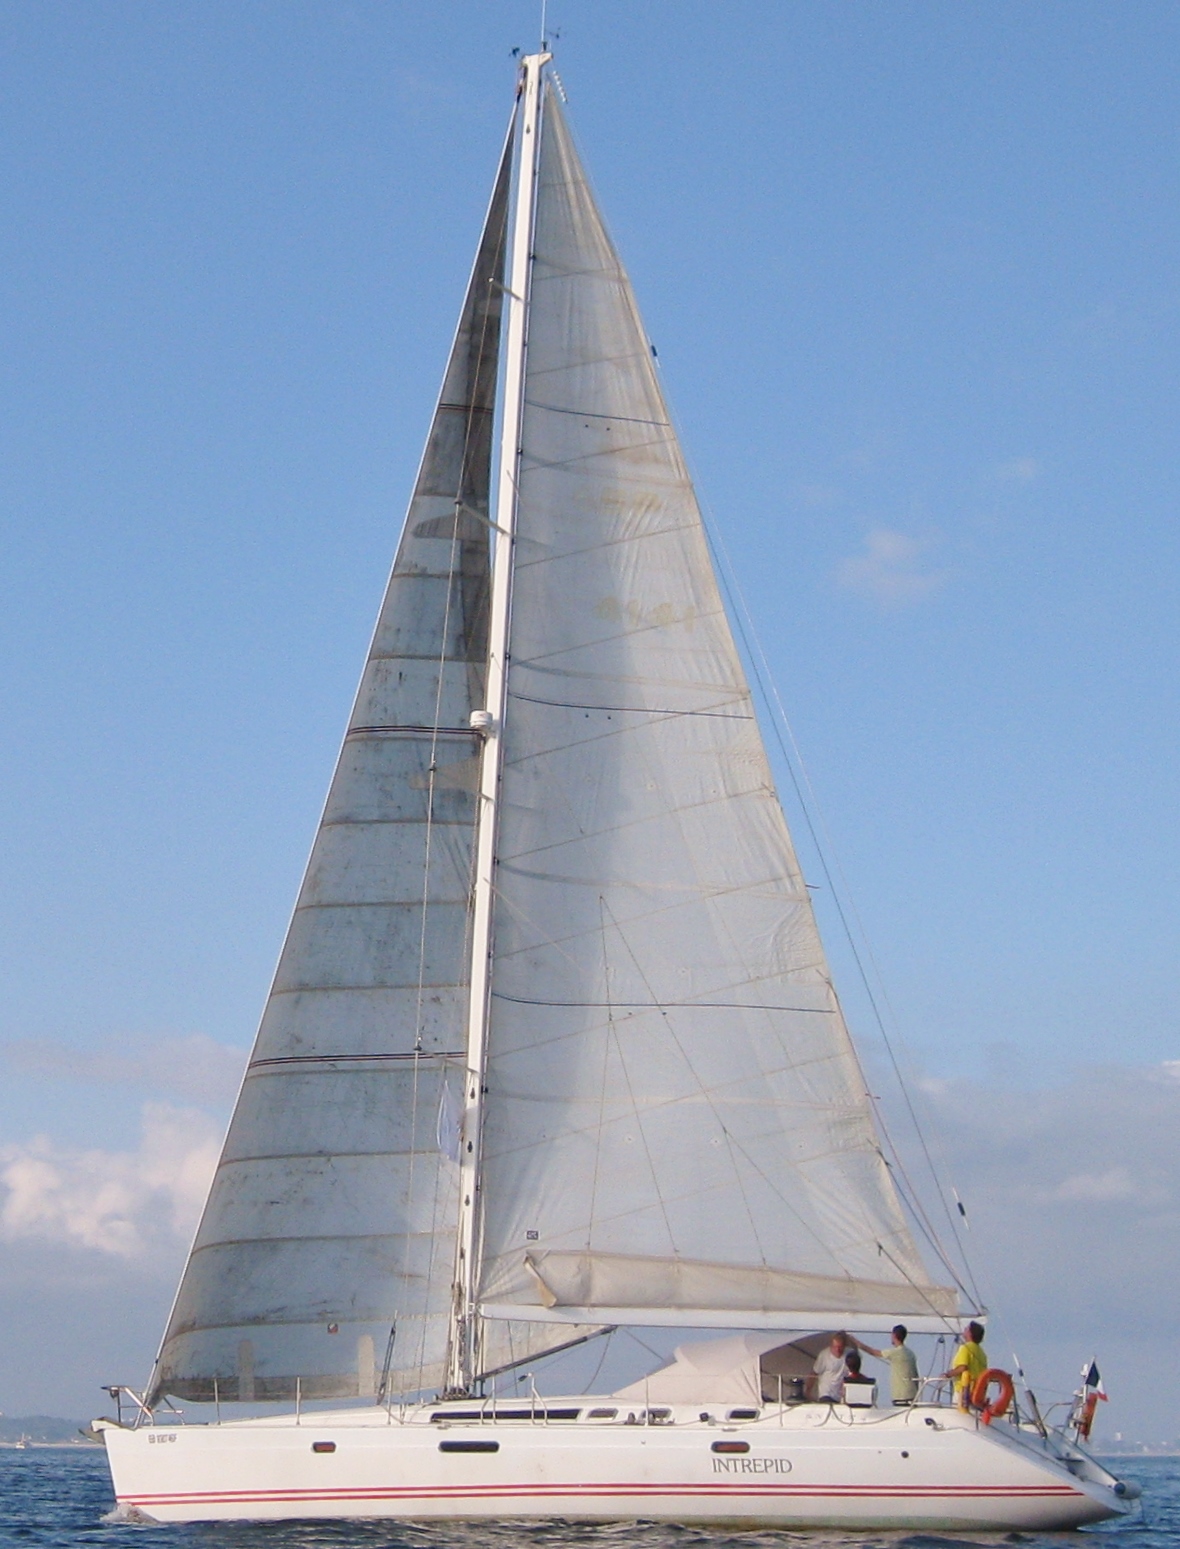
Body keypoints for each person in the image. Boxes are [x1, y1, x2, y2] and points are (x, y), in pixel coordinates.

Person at [858, 1324, 920, 1405]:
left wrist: (856, 1343)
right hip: (912, 1394)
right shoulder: (911, 1353)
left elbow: (873, 1352)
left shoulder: (895, 1352)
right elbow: (916, 1376)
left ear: (894, 1335)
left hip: (901, 1395)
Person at [945, 1321, 987, 1409]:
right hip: (977, 1392)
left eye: (966, 1328)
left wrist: (947, 1374)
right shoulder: (982, 1353)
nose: (964, 1330)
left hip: (963, 1391)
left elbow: (962, 1367)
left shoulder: (965, 1348)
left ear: (970, 1333)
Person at [808, 1332, 849, 1401]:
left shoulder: (850, 1354)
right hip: (826, 1394)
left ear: (844, 1346)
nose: (837, 1350)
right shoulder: (824, 1355)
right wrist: (808, 1391)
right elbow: (814, 1373)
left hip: (840, 1396)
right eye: (835, 1347)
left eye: (840, 1347)